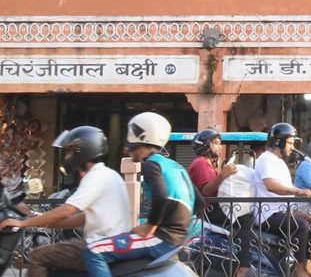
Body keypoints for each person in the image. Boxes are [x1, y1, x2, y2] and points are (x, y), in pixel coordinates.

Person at [0, 126, 131, 277]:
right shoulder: (110, 174)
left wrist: (22, 223)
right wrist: (45, 222)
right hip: (111, 243)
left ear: (82, 151)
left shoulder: (95, 177)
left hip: (98, 246)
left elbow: (67, 211)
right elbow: (84, 217)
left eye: (69, 151)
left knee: (38, 256)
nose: (67, 157)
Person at [84, 112, 195, 277]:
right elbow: (198, 200)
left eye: (130, 144)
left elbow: (161, 196)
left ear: (141, 139)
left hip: (161, 238)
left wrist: (150, 226)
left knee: (93, 251)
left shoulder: (151, 165)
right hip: (176, 239)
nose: (128, 150)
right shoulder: (174, 166)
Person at [188, 128, 254, 277]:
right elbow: (206, 190)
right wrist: (224, 174)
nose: (219, 147)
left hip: (216, 209)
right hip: (210, 211)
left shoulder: (208, 164)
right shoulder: (201, 163)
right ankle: (243, 267)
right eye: (216, 143)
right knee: (246, 219)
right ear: (205, 145)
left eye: (219, 143)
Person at [253, 122, 311, 277]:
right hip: (268, 215)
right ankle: (299, 270)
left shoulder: (279, 162)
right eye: (289, 143)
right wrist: (298, 191)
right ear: (278, 141)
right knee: (302, 225)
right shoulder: (266, 159)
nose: (292, 147)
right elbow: (271, 185)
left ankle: (306, 264)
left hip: (283, 211)